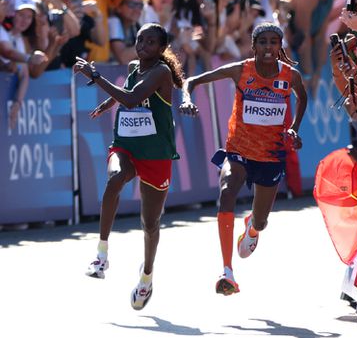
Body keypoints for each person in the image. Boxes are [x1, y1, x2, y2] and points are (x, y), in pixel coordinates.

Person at [179, 22, 307, 296]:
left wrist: (294, 127)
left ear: (280, 46)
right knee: (226, 191)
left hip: (270, 156)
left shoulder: (290, 75)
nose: (269, 47)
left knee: (262, 222)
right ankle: (227, 271)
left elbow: (302, 98)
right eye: (263, 42)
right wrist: (187, 99)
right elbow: (192, 80)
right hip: (238, 150)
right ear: (254, 46)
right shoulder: (241, 70)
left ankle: (252, 226)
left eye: (274, 42)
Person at [77, 23, 185, 311]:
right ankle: (101, 255)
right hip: (127, 144)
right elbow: (127, 90)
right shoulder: (136, 65)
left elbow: (133, 97)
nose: (143, 46)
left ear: (162, 49)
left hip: (156, 153)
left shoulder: (161, 72)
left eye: (151, 42)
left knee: (150, 224)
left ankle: (147, 275)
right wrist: (108, 104)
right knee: (114, 180)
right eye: (140, 40)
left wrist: (95, 76)